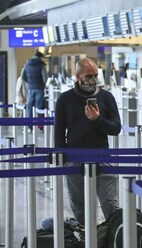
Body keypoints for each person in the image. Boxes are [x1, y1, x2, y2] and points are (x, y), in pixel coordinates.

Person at [54, 58, 121, 225]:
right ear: (78, 77)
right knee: (79, 207)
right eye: (88, 75)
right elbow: (59, 131)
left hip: (102, 157)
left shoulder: (106, 97)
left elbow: (116, 128)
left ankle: (113, 240)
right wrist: (62, 159)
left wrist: (98, 120)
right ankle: (85, 243)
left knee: (110, 205)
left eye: (95, 75)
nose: (92, 79)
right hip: (74, 159)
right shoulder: (65, 99)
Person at [21, 51, 48, 115]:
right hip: (40, 88)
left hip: (31, 88)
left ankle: (30, 123)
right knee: (38, 106)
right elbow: (45, 78)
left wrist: (30, 82)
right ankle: (37, 122)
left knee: (30, 105)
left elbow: (22, 76)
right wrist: (43, 84)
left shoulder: (26, 64)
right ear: (40, 57)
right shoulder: (41, 65)